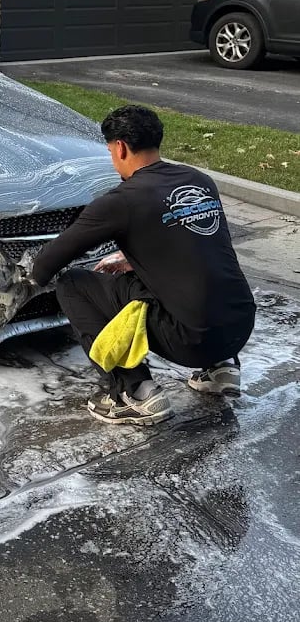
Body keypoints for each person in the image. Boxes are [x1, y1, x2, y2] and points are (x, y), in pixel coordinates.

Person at [30, 105, 256, 426]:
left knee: (72, 284)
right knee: (201, 275)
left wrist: (23, 277)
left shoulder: (122, 200)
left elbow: (48, 263)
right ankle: (222, 369)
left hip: (190, 341)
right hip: (240, 326)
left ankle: (134, 392)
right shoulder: (199, 181)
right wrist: (132, 260)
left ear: (120, 147)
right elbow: (192, 247)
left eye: (110, 150)